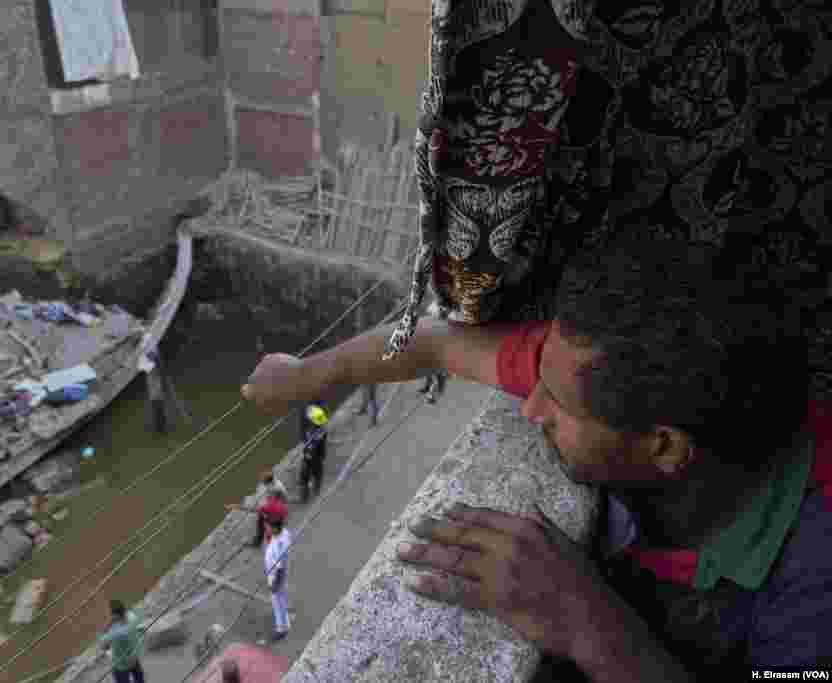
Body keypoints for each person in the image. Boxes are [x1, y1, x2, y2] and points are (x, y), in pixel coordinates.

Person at [240, 236, 830, 677]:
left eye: (560, 406)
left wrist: (590, 621)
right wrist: (306, 374)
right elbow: (434, 341)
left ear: (664, 447)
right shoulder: (597, 365)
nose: (531, 408)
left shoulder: (814, 569)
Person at [226, 469, 289, 548]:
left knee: (264, 524)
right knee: (262, 521)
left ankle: (262, 543)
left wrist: (236, 506)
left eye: (263, 481)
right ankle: (263, 540)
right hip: (280, 510)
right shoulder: (275, 483)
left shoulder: (274, 491)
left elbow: (254, 509)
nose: (262, 482)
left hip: (275, 514)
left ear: (267, 482)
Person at [98, 599, 146, 683]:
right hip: (134, 659)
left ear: (114, 615)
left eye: (109, 613)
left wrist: (107, 625)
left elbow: (102, 645)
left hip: (120, 664)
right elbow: (141, 631)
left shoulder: (115, 632)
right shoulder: (132, 617)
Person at [264, 513, 292, 643]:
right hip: (277, 573)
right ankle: (285, 622)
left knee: (277, 601)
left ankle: (281, 629)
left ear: (274, 528)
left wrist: (275, 584)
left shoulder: (280, 544)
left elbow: (280, 568)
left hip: (276, 576)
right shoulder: (283, 533)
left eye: (269, 526)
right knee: (281, 599)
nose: (267, 528)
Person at [300, 404, 328, 503]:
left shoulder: (318, 434)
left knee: (311, 475)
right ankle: (309, 492)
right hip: (313, 456)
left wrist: (308, 451)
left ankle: (310, 493)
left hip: (314, 457)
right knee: (310, 475)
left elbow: (313, 446)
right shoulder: (315, 429)